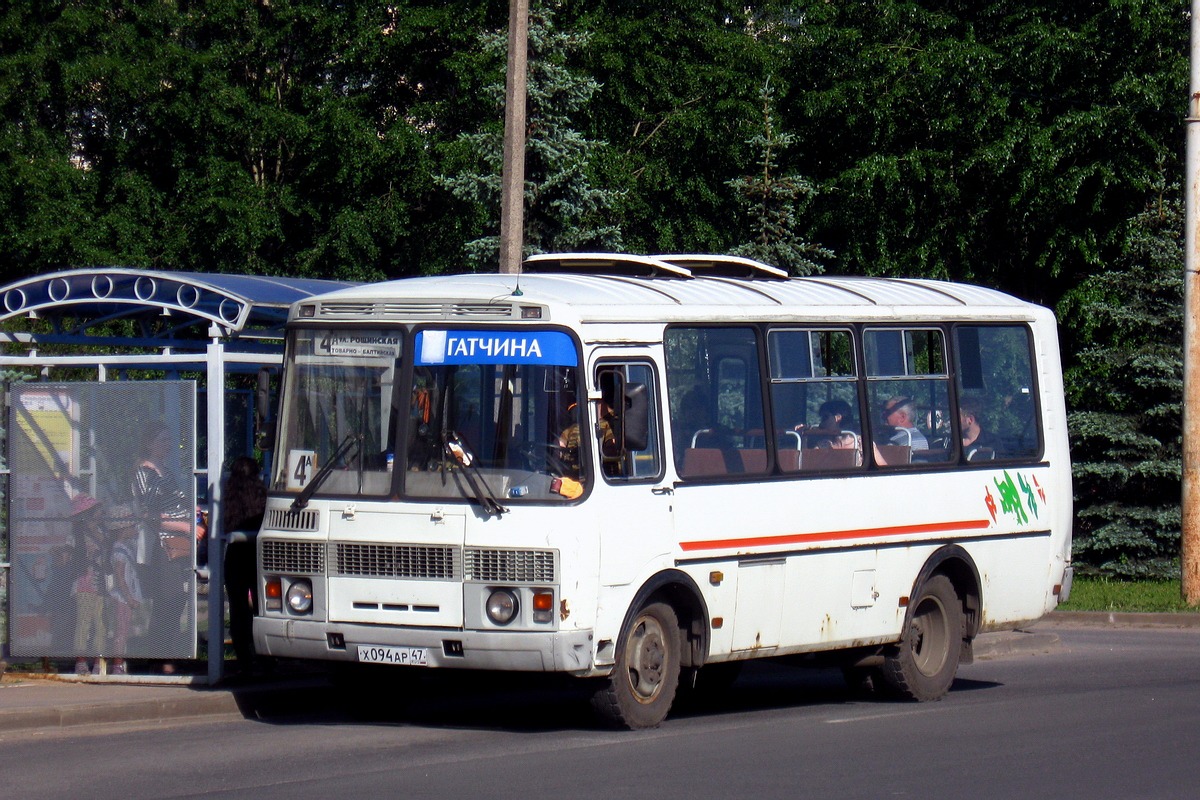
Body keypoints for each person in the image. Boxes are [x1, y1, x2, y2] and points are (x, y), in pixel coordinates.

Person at [131, 425, 195, 669]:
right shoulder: (145, 472)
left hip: (178, 542)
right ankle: (159, 655)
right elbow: (150, 513)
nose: (168, 444)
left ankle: (166, 651)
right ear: (150, 444)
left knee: (177, 599)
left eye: (170, 440)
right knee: (168, 598)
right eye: (163, 439)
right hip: (162, 544)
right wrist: (184, 527)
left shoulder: (166, 471)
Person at [222, 456, 266, 672]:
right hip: (258, 556)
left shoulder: (228, 497)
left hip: (235, 556)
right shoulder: (261, 497)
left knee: (238, 609)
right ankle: (265, 656)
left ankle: (243, 658)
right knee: (261, 607)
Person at [69, 494, 106, 676]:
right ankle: (81, 660)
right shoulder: (76, 536)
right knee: (83, 622)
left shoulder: (100, 532)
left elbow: (106, 546)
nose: (99, 514)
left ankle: (99, 659)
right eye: (95, 512)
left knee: (100, 622)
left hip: (100, 583)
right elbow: (69, 558)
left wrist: (95, 531)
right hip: (83, 583)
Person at [106, 504, 144, 676]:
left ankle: (119, 663)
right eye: (131, 525)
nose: (135, 527)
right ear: (123, 528)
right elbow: (120, 577)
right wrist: (129, 597)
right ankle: (117, 665)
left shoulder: (126, 547)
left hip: (126, 597)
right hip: (122, 598)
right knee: (120, 631)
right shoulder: (119, 549)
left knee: (124, 630)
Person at [960, 394, 1000, 461]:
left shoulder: (993, 443)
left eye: (957, 416)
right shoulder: (947, 444)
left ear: (970, 420)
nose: (951, 420)